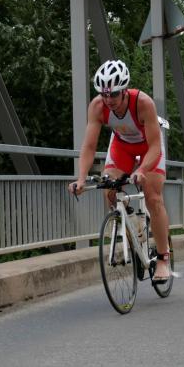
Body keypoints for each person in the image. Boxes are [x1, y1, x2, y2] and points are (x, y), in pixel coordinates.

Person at [69, 59, 171, 283]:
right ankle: (132, 230)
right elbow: (89, 146)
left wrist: (142, 169)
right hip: (122, 146)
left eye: (114, 94)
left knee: (153, 198)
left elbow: (155, 146)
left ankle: (163, 258)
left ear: (124, 90)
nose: (109, 100)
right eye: (104, 95)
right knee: (109, 189)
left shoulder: (143, 103)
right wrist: (81, 179)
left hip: (148, 147)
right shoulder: (98, 106)